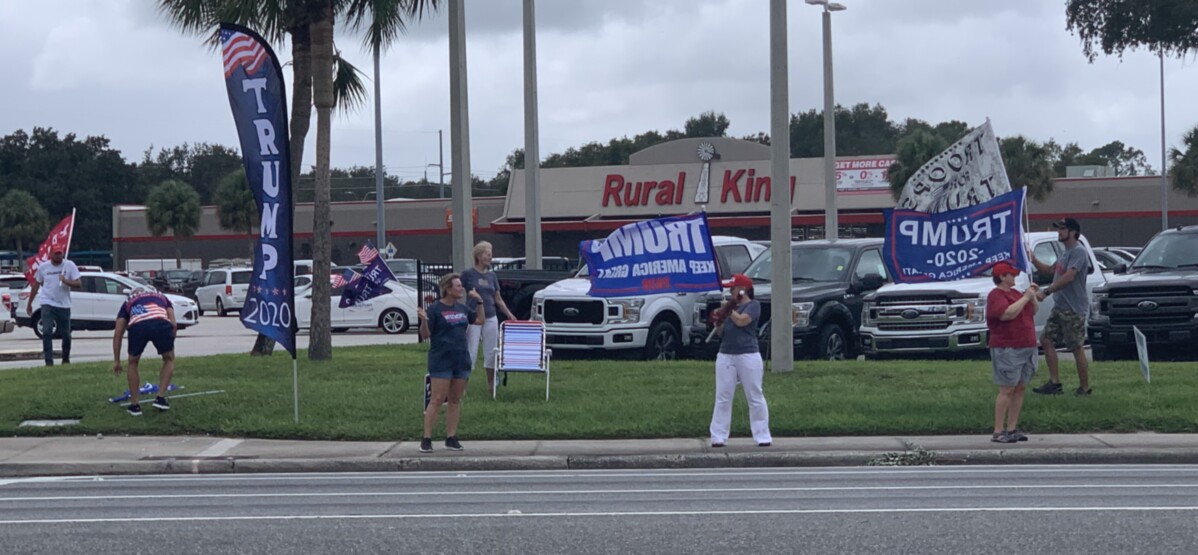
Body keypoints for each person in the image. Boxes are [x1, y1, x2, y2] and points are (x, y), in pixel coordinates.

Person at [417, 273, 485, 454]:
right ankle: (426, 438)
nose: (461, 288)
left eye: (461, 286)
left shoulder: (462, 309)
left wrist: (480, 303)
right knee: (437, 399)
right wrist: (424, 320)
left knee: (455, 399)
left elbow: (479, 320)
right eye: (458, 286)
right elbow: (425, 335)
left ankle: (451, 437)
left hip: (461, 359)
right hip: (441, 360)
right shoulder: (435, 309)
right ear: (448, 289)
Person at [708, 274, 772, 448]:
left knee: (754, 394)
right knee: (723, 396)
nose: (731, 292)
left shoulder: (753, 306)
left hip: (748, 354)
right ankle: (718, 434)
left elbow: (743, 322)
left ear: (743, 290)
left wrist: (728, 311)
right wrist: (718, 321)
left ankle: (762, 434)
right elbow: (722, 333)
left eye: (734, 288)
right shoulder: (731, 309)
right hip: (726, 354)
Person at [1031, 217, 1093, 396]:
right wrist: (1034, 260)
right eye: (1058, 228)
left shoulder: (1079, 252)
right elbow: (1052, 272)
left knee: (1075, 347)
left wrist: (1047, 291)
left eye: (1062, 229)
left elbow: (1069, 277)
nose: (1058, 231)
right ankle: (1055, 383)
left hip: (1073, 309)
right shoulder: (1065, 253)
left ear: (1073, 232)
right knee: (1046, 339)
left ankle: (1084, 388)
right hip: (1060, 307)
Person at [985, 262, 1039, 443]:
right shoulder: (996, 296)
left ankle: (1012, 427)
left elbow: (1033, 311)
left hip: (1027, 345)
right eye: (1012, 275)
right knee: (1007, 388)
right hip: (1008, 348)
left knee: (1020, 387)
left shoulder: (1016, 294)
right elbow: (1007, 314)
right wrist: (1025, 298)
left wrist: (1031, 297)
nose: (1015, 278)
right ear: (1002, 277)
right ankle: (998, 430)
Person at [112, 287, 178, 416]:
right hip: (160, 322)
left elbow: (118, 333)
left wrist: (117, 361)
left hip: (138, 326)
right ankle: (160, 397)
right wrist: (169, 345)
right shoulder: (162, 296)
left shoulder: (128, 301)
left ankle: (135, 406)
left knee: (133, 363)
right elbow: (174, 324)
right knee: (168, 359)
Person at [461, 241, 516, 394]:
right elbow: (457, 291)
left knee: (491, 351)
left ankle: (491, 385)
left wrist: (509, 314)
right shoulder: (468, 274)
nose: (490, 257)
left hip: (491, 316)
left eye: (491, 254)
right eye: (488, 254)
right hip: (474, 317)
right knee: (471, 351)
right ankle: (463, 386)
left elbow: (497, 298)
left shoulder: (492, 276)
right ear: (479, 256)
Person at [27, 247, 82, 366]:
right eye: (56, 254)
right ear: (51, 254)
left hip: (64, 304)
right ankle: (49, 361)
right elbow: (36, 285)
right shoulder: (43, 267)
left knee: (66, 334)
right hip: (47, 303)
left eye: (60, 254)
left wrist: (66, 281)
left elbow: (78, 283)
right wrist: (29, 303)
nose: (58, 256)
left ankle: (65, 359)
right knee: (46, 332)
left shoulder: (69, 265)